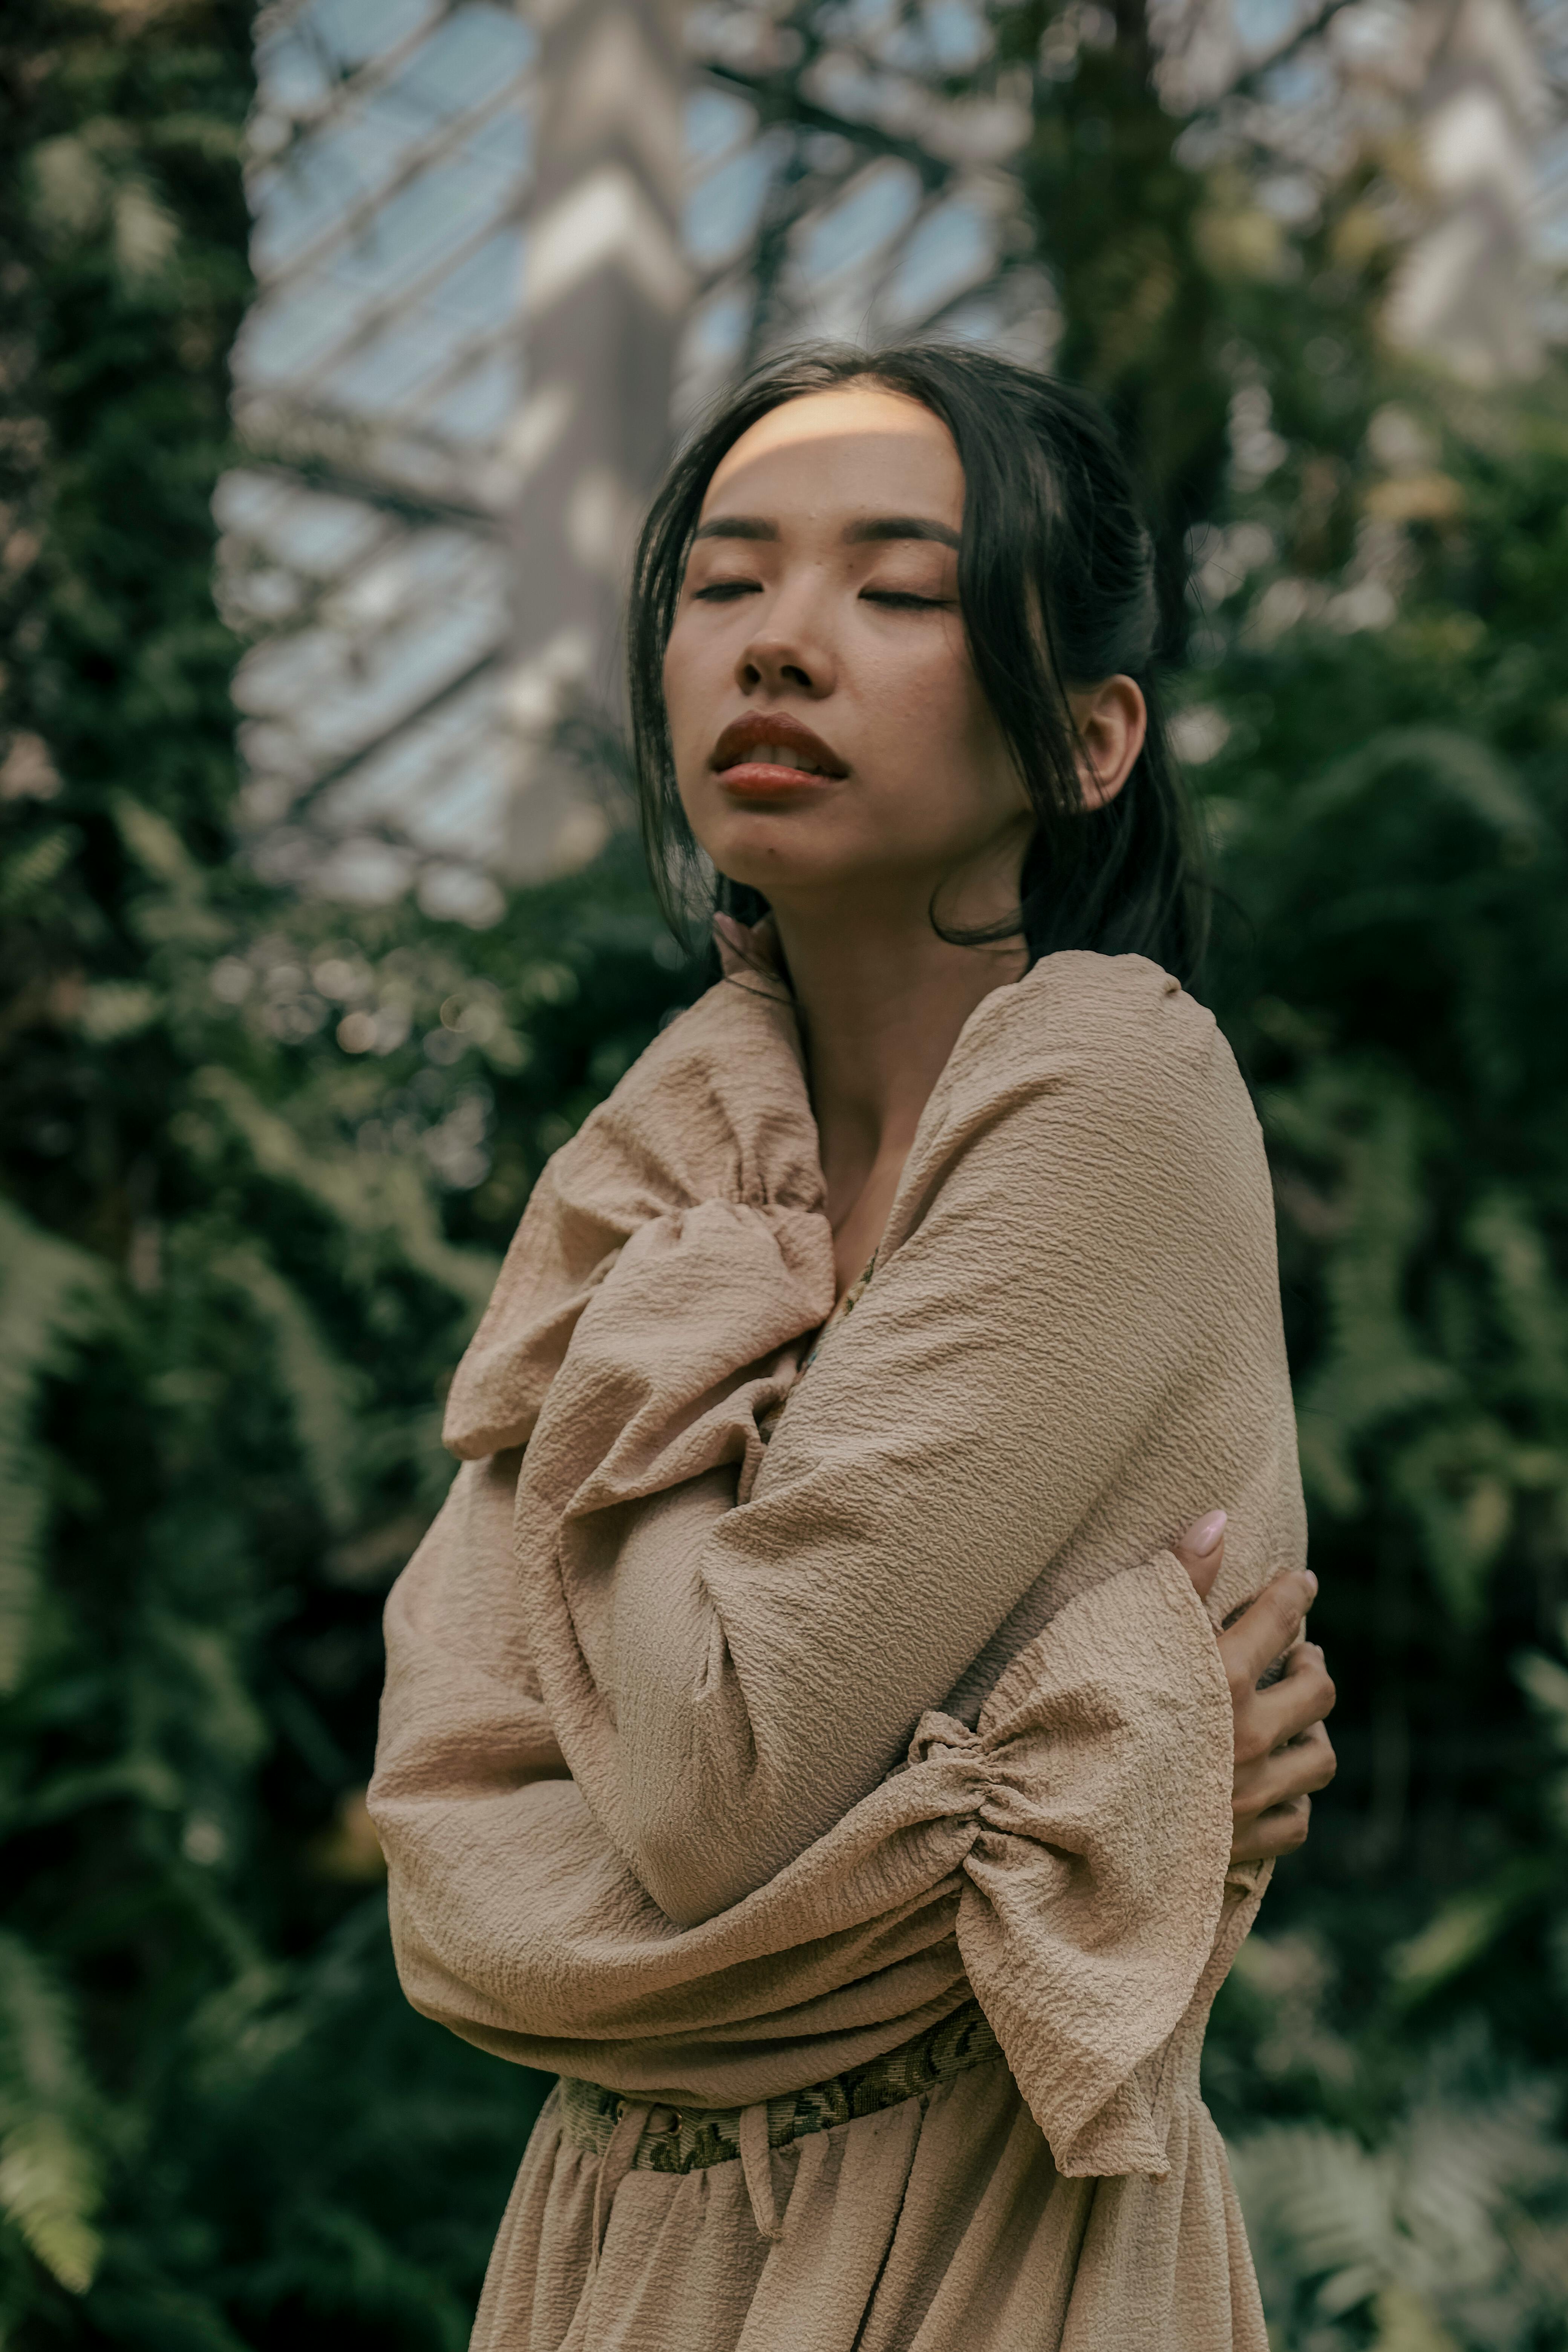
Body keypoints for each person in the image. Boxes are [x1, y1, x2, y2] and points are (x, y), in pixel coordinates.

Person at [369, 343, 1337, 2351]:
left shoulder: (1113, 1090)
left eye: (896, 591)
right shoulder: (671, 1141)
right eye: (727, 584)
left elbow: (714, 1780)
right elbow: (455, 1874)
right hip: (609, 2261)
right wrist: (1085, 1810)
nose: (781, 647)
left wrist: (651, 1347)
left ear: (1091, 738)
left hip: (1001, 2234)